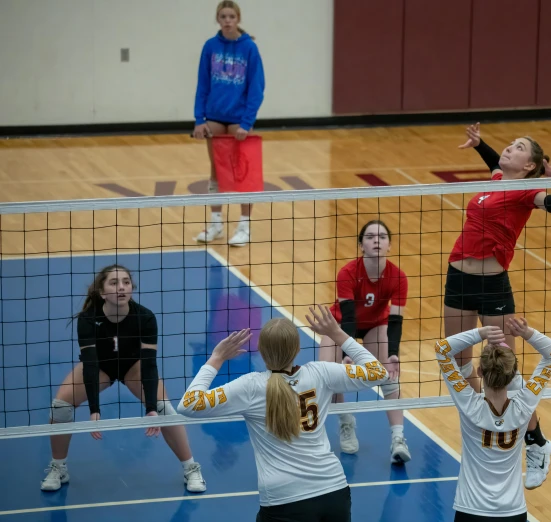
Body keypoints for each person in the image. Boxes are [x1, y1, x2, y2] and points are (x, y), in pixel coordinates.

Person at [444, 122, 551, 489]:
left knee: (503, 369)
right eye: (510, 145)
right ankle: (485, 420)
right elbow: (495, 163)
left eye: (518, 147)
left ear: (531, 165)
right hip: (457, 279)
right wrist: (479, 145)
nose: (508, 148)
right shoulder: (500, 177)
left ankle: (536, 442)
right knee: (458, 362)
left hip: (492, 286)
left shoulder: (527, 191)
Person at [177, 305, 391, 522]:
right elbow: (379, 373)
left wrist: (216, 358)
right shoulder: (321, 372)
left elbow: (188, 405)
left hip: (284, 499)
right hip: (333, 490)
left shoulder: (250, 387)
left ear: (260, 350)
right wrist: (336, 333)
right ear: (298, 349)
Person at [41, 265, 206, 493]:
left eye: (126, 282)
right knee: (60, 407)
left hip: (133, 366)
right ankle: (58, 467)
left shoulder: (145, 317)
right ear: (102, 292)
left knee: (164, 409)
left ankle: (191, 468)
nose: (121, 287)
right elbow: (90, 364)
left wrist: (150, 409)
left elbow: (149, 365)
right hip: (100, 367)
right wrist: (94, 409)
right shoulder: (88, 319)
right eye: (114, 283)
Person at [435, 317, 551, 521]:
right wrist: (527, 333)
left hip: (471, 510)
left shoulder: (469, 405)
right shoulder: (524, 405)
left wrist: (480, 333)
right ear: (512, 377)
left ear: (479, 372)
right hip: (513, 512)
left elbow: (442, 349)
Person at [319, 220, 410, 463]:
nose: (376, 240)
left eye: (381, 236)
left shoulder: (398, 276)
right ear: (361, 245)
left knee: (389, 375)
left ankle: (398, 439)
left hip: (374, 325)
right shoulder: (348, 272)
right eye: (370, 237)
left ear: (389, 245)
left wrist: (393, 354)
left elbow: (396, 321)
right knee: (329, 374)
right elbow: (348, 317)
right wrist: (347, 352)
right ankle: (346, 420)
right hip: (338, 325)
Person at [193, 0, 266, 247]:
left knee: (243, 173)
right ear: (218, 19)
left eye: (231, 16)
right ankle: (216, 225)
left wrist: (247, 122)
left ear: (238, 19)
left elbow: (257, 88)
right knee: (216, 171)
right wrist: (199, 119)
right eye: (223, 16)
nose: (227, 20)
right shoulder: (210, 46)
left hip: (239, 120)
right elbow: (202, 85)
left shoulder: (249, 49)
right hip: (214, 117)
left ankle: (244, 227)